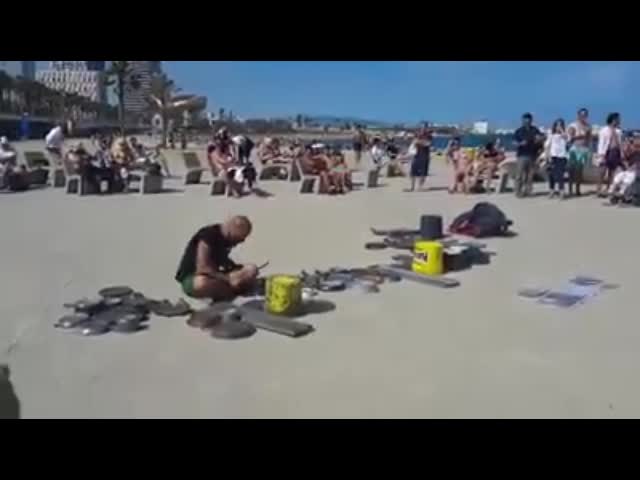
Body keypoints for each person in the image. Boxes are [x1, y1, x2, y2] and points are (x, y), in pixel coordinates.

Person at [175, 216, 258, 301]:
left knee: (251, 269)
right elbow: (203, 267)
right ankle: (229, 293)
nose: (241, 241)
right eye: (239, 239)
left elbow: (222, 261)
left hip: (216, 276)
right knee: (201, 283)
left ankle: (231, 291)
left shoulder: (226, 241)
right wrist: (228, 278)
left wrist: (237, 271)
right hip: (193, 277)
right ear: (230, 232)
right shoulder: (208, 235)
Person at [513, 113, 544, 198]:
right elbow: (514, 142)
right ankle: (518, 191)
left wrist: (539, 140)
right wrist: (520, 143)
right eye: (525, 119)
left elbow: (541, 138)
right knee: (519, 175)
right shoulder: (519, 131)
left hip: (533, 155)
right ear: (522, 120)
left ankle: (528, 191)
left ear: (531, 120)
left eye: (529, 120)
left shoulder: (535, 130)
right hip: (522, 155)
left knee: (530, 175)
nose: (527, 121)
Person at [596, 112, 623, 197]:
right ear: (613, 119)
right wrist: (601, 154)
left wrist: (621, 153)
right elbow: (601, 143)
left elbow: (620, 143)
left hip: (615, 152)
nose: (619, 121)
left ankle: (609, 189)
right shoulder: (604, 130)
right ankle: (599, 189)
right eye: (617, 119)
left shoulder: (619, 131)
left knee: (612, 172)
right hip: (606, 151)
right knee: (602, 171)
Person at [567, 108, 592, 197]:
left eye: (585, 115)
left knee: (579, 171)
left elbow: (589, 139)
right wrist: (578, 136)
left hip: (583, 150)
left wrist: (589, 151)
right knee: (571, 171)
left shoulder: (588, 126)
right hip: (574, 149)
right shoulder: (572, 125)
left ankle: (577, 189)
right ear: (578, 115)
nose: (583, 116)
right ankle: (570, 190)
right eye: (582, 115)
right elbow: (569, 139)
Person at [544, 119, 569, 199]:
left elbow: (567, 140)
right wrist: (547, 157)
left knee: (560, 174)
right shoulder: (551, 135)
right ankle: (551, 191)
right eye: (557, 125)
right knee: (551, 174)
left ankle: (562, 191)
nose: (558, 126)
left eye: (560, 125)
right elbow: (547, 146)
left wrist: (561, 130)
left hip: (562, 156)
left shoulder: (565, 134)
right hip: (553, 156)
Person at [407, 126, 432, 192]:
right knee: (413, 171)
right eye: (422, 129)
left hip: (425, 156)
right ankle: (412, 187)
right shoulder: (417, 136)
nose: (423, 130)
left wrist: (419, 142)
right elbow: (414, 143)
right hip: (417, 155)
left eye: (424, 129)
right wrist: (419, 141)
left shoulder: (429, 136)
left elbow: (427, 144)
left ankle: (420, 186)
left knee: (423, 173)